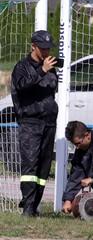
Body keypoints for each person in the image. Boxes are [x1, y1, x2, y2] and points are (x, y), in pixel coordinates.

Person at [10, 30, 59, 216]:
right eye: (43, 48)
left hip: (49, 123)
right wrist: (41, 71)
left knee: (43, 168)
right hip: (31, 122)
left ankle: (33, 205)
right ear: (33, 46)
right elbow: (22, 86)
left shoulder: (50, 67)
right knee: (30, 165)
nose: (46, 52)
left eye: (48, 48)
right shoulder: (22, 67)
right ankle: (27, 209)